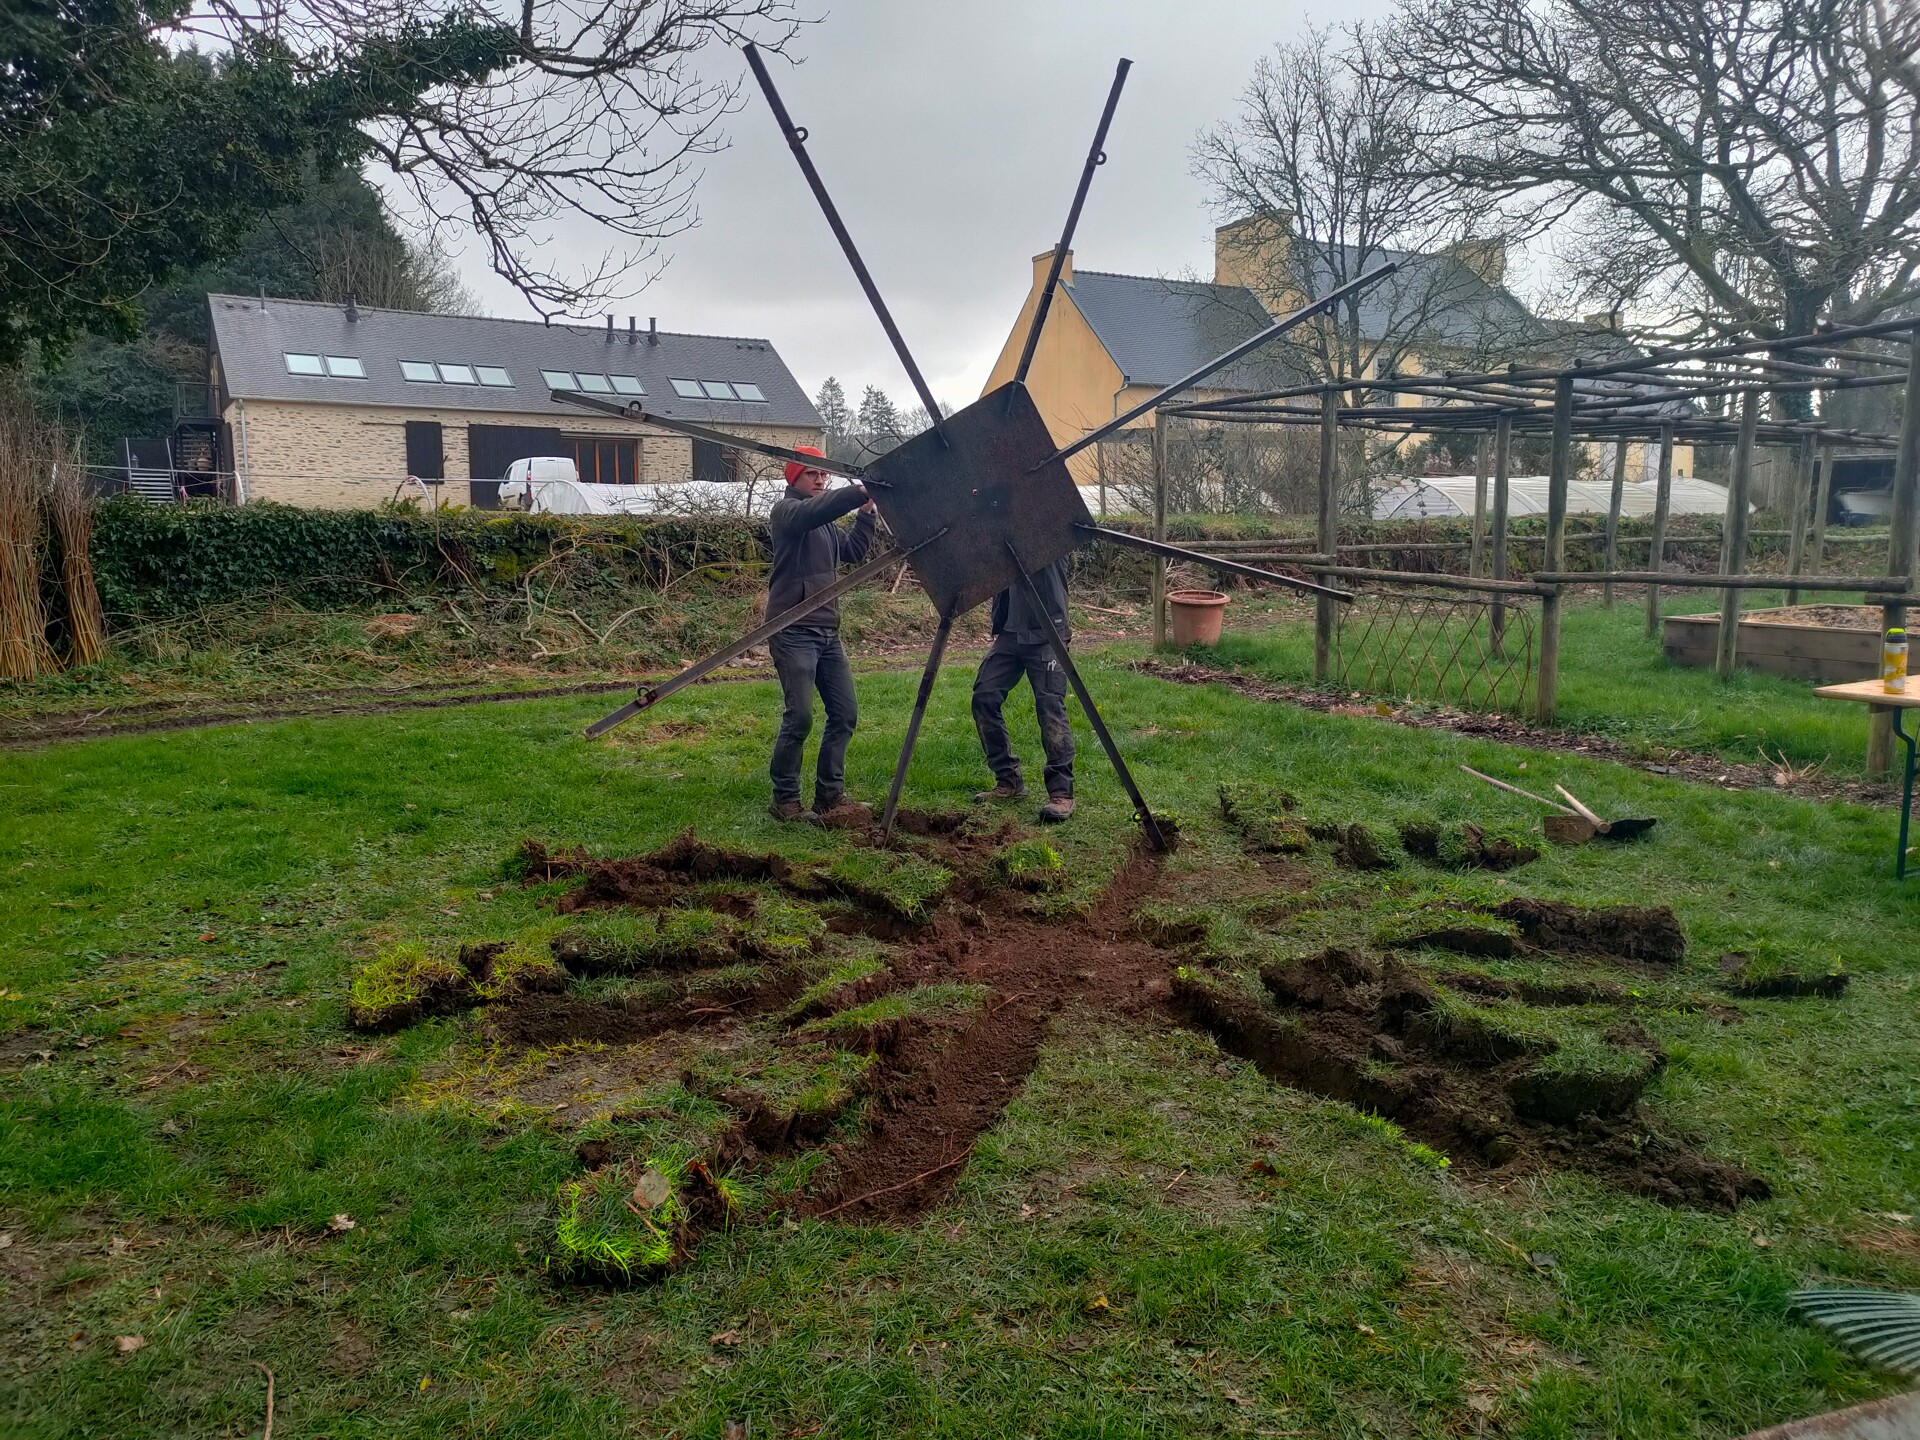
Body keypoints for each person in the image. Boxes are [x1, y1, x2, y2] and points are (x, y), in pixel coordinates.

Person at [765, 445, 876, 824]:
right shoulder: (788, 512)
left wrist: (866, 513)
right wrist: (858, 491)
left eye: (823, 474)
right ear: (793, 477)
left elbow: (852, 553)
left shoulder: (825, 522)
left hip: (828, 631)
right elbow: (816, 511)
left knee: (845, 713)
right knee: (800, 718)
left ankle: (830, 796)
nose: (820, 480)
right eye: (812, 474)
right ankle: (786, 800)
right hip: (792, 629)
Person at [971, 556, 1075, 822]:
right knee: (984, 697)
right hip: (1010, 633)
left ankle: (1061, 793)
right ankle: (1008, 781)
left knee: (1050, 707)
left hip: (1047, 631)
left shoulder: (1051, 531)